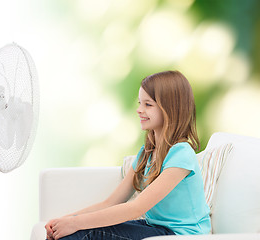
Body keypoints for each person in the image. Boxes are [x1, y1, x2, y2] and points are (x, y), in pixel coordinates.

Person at [45, 70, 211, 240]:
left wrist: (75, 224)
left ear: (170, 108)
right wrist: (65, 220)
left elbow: (136, 208)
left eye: (148, 104)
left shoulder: (181, 153)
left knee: (83, 233)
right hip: (154, 227)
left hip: (180, 235)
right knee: (70, 232)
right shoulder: (147, 153)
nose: (139, 110)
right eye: (140, 103)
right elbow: (110, 203)